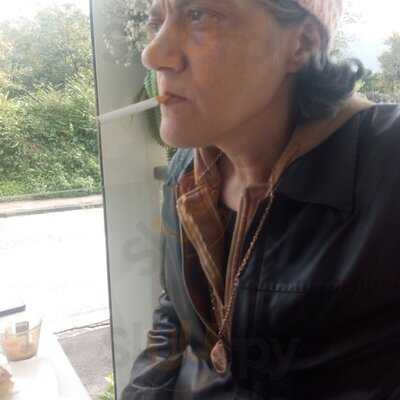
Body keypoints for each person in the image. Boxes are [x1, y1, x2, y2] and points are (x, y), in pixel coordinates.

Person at [121, 0, 400, 398]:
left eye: (200, 15)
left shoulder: (386, 163)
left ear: (302, 43)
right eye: (156, 23)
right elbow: (175, 316)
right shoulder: (188, 172)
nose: (153, 54)